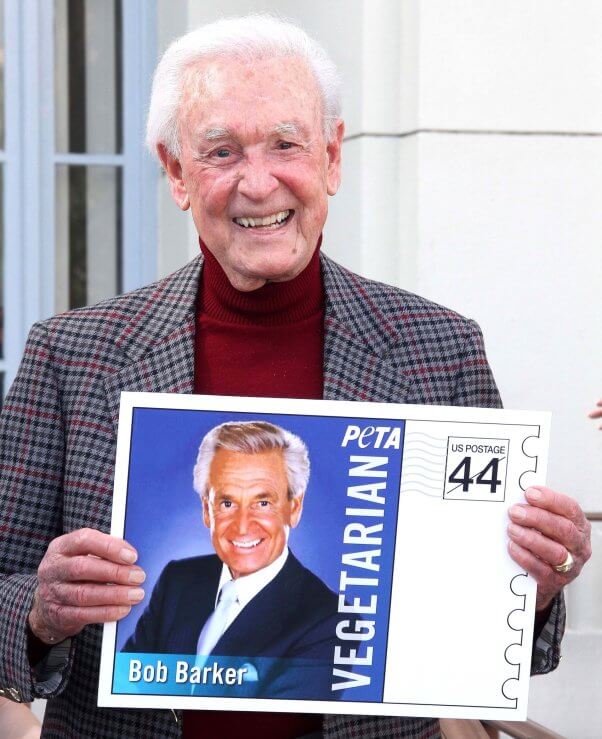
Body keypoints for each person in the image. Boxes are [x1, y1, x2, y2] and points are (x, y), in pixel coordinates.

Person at [0, 14, 591, 739]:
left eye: (286, 143)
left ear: (333, 156)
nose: (258, 181)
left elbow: (489, 628)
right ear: (177, 172)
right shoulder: (72, 355)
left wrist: (532, 584)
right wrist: (39, 608)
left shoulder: (440, 347)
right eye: (220, 151)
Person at [122, 421, 357, 700]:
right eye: (227, 503)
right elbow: (129, 688)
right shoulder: (178, 579)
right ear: (206, 510)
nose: (243, 526)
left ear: (294, 508)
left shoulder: (331, 621)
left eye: (263, 503)